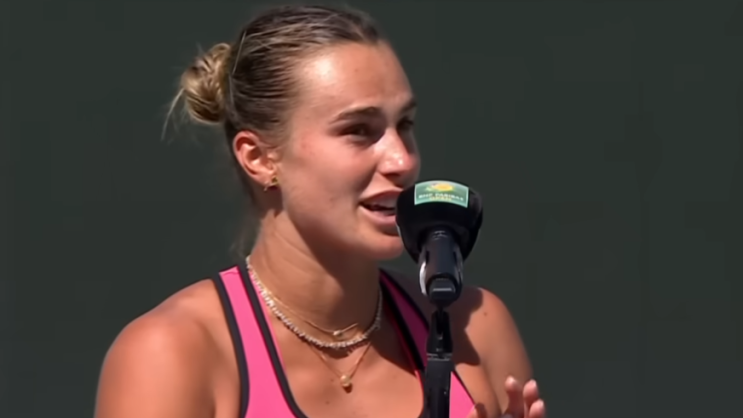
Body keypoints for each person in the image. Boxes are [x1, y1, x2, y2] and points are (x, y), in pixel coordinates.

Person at [93, 4, 546, 418]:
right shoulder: (170, 355)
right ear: (259, 158)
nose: (402, 160)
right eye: (358, 130)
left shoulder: (477, 329)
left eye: (405, 124)